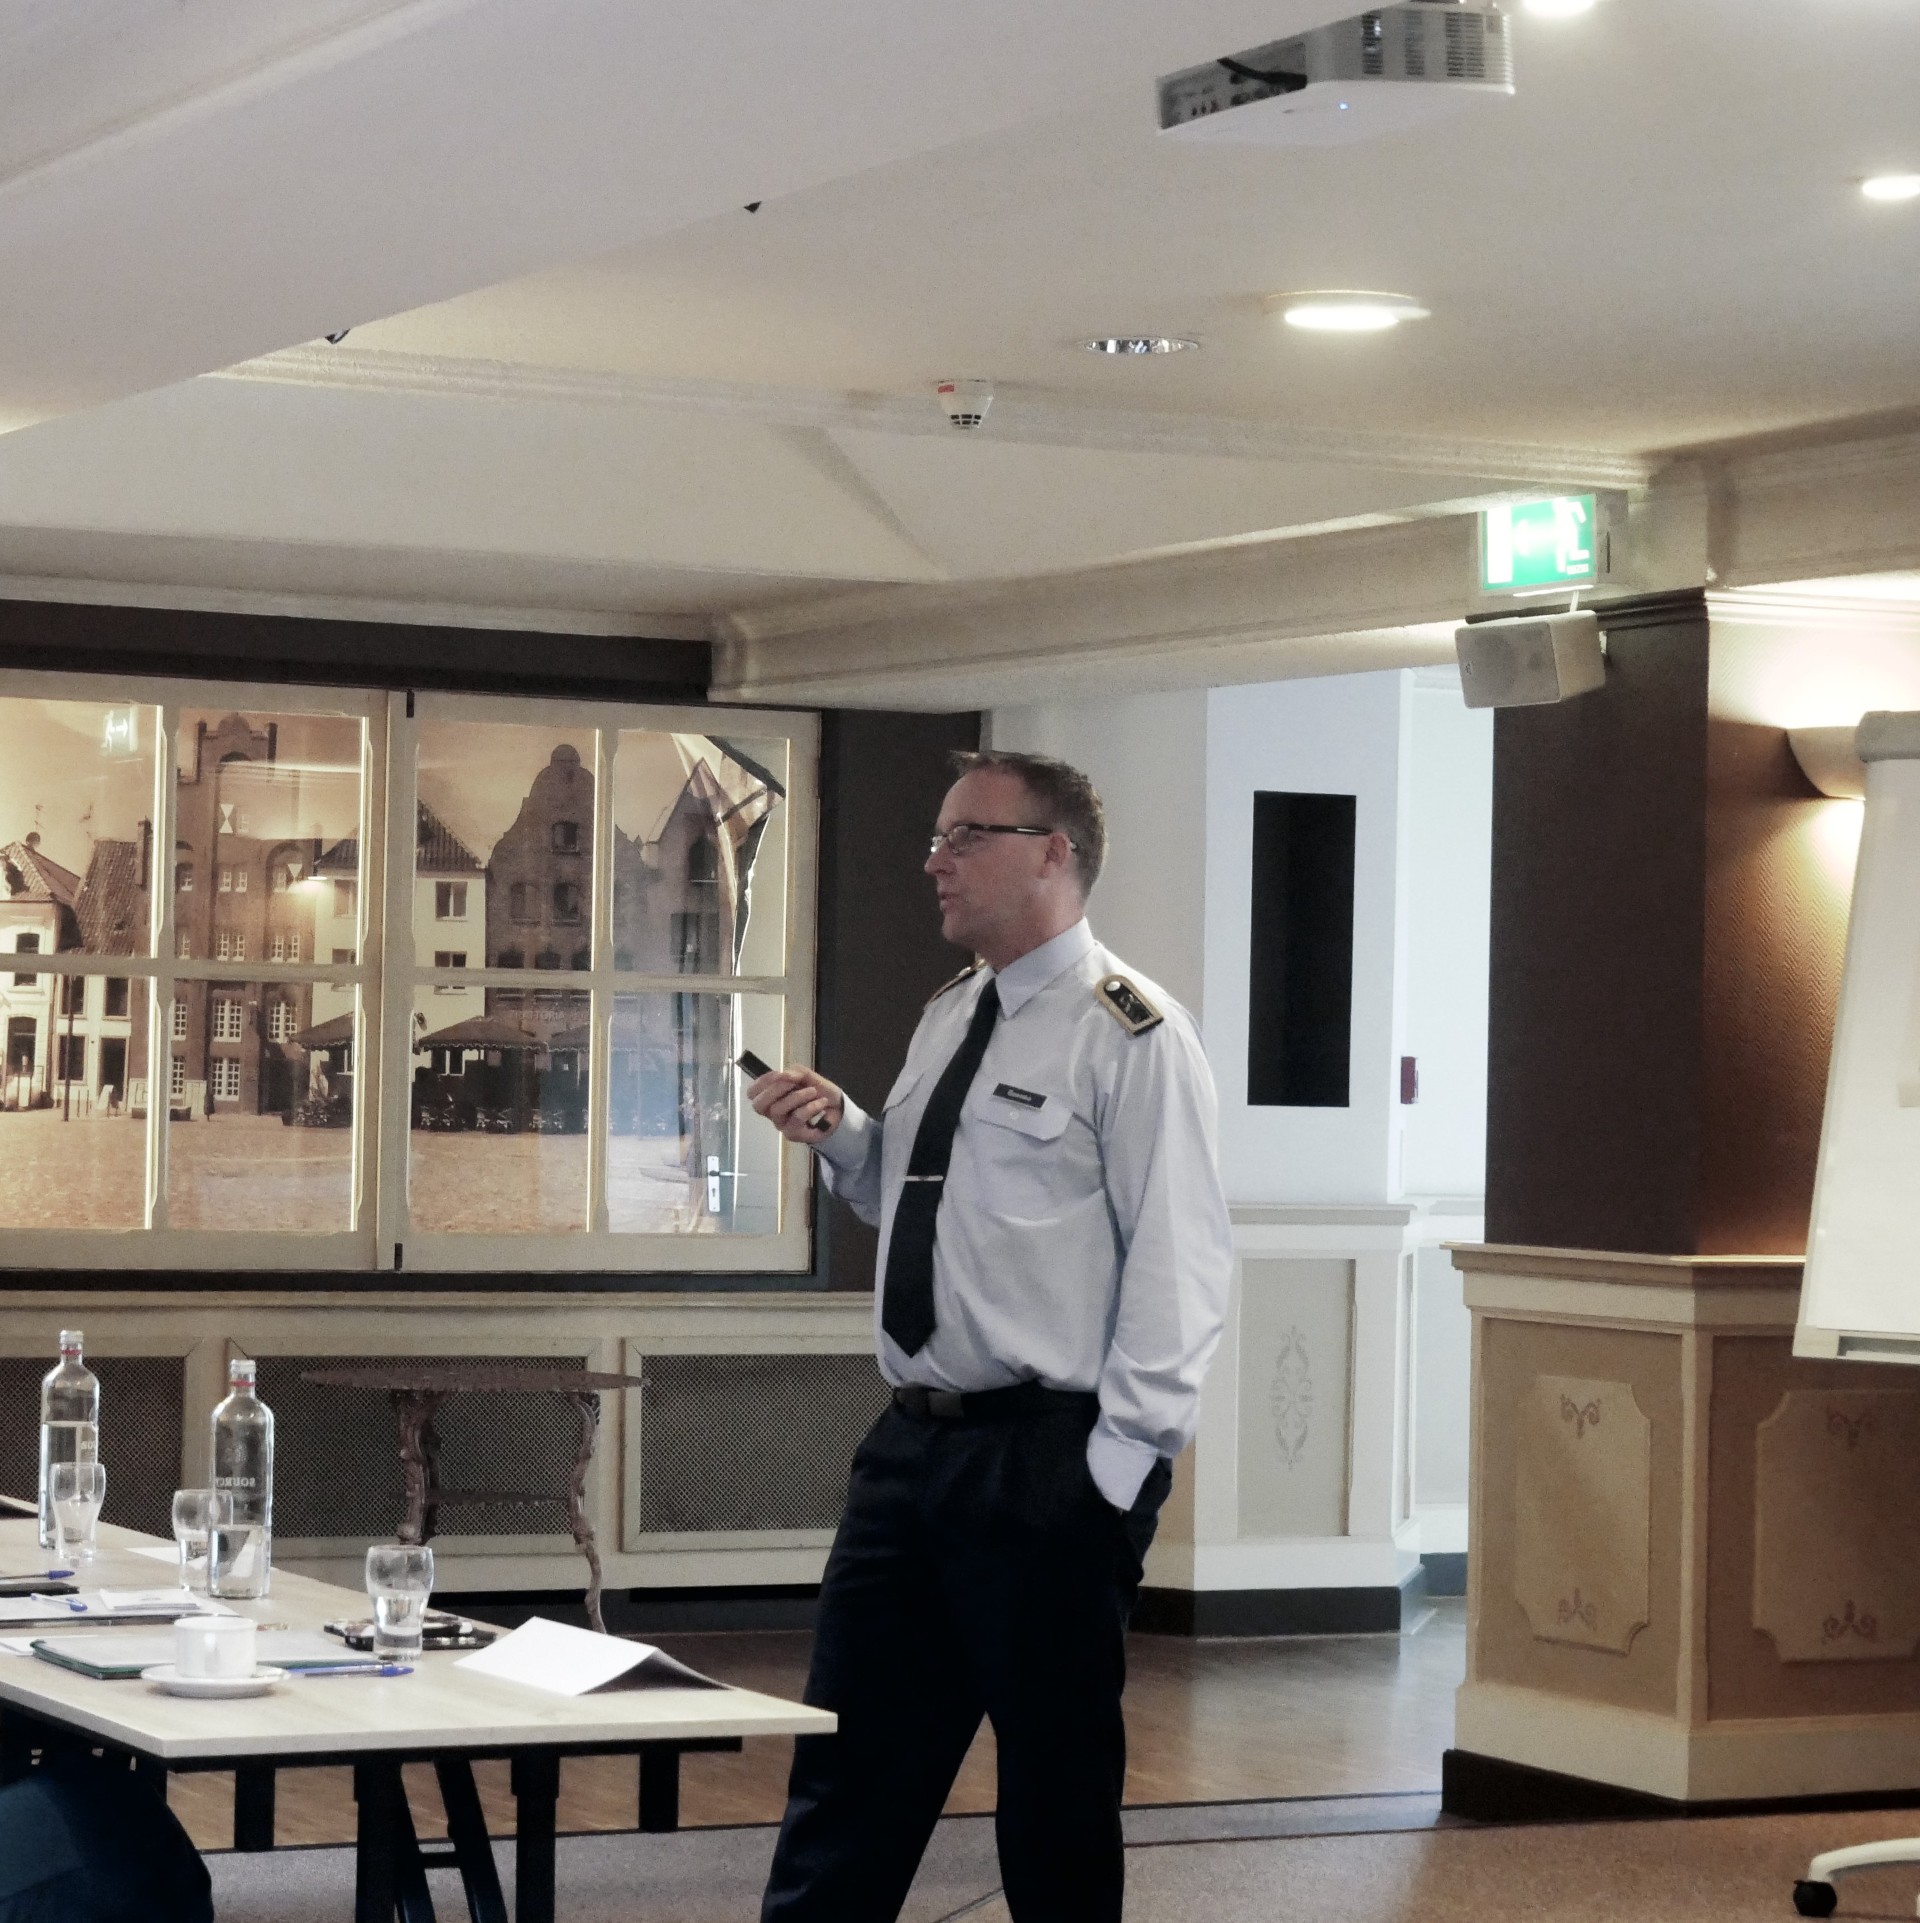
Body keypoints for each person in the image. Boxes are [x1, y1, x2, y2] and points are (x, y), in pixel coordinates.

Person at [750, 748, 1234, 1923]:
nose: (935, 861)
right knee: (848, 1770)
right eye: (937, 836)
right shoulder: (950, 1015)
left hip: (1046, 1460)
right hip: (911, 1450)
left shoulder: (1132, 1033)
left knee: (1055, 1790)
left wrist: (1114, 1470)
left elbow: (1182, 1262)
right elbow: (919, 1204)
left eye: (967, 836)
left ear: (1054, 853)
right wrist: (846, 1137)